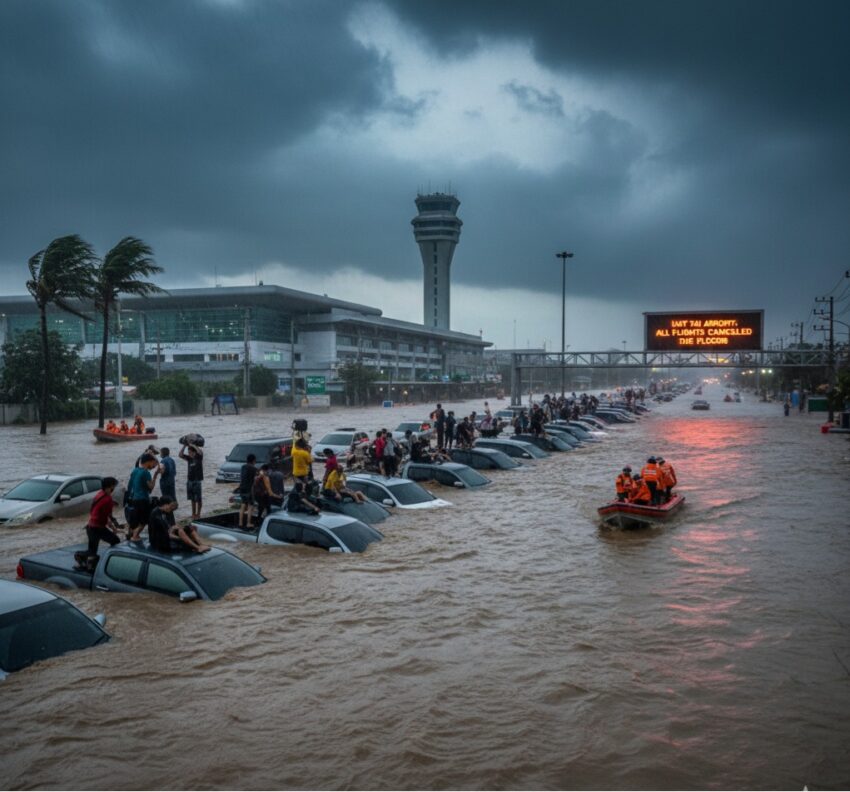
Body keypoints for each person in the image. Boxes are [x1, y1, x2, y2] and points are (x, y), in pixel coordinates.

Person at [75, 477, 123, 571]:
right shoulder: (108, 500)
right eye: (114, 486)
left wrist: (112, 527)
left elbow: (100, 514)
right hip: (97, 528)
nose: (114, 488)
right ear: (110, 487)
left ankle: (86, 562)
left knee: (92, 550)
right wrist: (114, 528)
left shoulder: (99, 494)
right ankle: (81, 556)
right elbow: (107, 516)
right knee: (115, 541)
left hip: (91, 526)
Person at [127, 454, 160, 541]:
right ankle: (135, 536)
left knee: (135, 520)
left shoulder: (135, 470)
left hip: (134, 499)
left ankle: (130, 535)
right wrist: (156, 475)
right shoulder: (146, 473)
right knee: (144, 521)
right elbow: (151, 487)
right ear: (148, 462)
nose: (153, 467)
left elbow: (131, 485)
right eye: (153, 464)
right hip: (142, 499)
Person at [179, 443, 204, 520]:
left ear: (194, 452)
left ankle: (198, 514)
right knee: (192, 499)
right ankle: (193, 514)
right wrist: (184, 445)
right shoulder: (189, 458)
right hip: (189, 480)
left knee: (198, 499)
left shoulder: (198, 457)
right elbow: (180, 455)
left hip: (197, 481)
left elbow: (200, 452)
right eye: (188, 452)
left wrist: (193, 445)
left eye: (190, 452)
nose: (189, 453)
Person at [238, 453, 258, 529]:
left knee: (243, 505)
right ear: (253, 460)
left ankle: (240, 523)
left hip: (242, 488)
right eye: (255, 461)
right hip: (249, 490)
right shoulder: (253, 468)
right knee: (250, 506)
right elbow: (256, 480)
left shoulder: (243, 467)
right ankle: (248, 523)